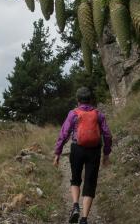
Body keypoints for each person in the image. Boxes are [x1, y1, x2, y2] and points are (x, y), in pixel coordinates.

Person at [53, 87, 113, 224]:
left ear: (78, 100)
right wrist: (106, 153)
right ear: (91, 100)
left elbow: (64, 134)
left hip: (77, 149)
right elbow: (107, 135)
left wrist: (58, 152)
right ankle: (84, 219)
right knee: (90, 184)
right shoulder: (98, 114)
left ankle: (75, 206)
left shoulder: (73, 113)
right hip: (94, 151)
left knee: (75, 179)